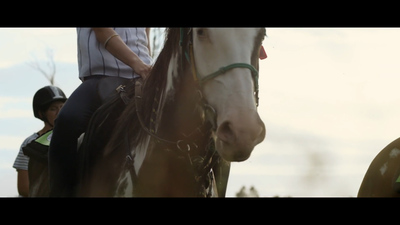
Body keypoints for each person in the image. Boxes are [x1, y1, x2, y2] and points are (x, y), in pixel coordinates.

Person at [49, 28, 152, 197]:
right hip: (101, 76)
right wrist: (140, 65)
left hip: (142, 77)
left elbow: (144, 36)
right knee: (66, 121)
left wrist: (146, 67)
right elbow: (102, 31)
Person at [12, 85, 67, 197]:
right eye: (53, 109)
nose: (59, 112)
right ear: (42, 114)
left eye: (62, 107)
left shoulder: (76, 138)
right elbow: (23, 188)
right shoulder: (30, 144)